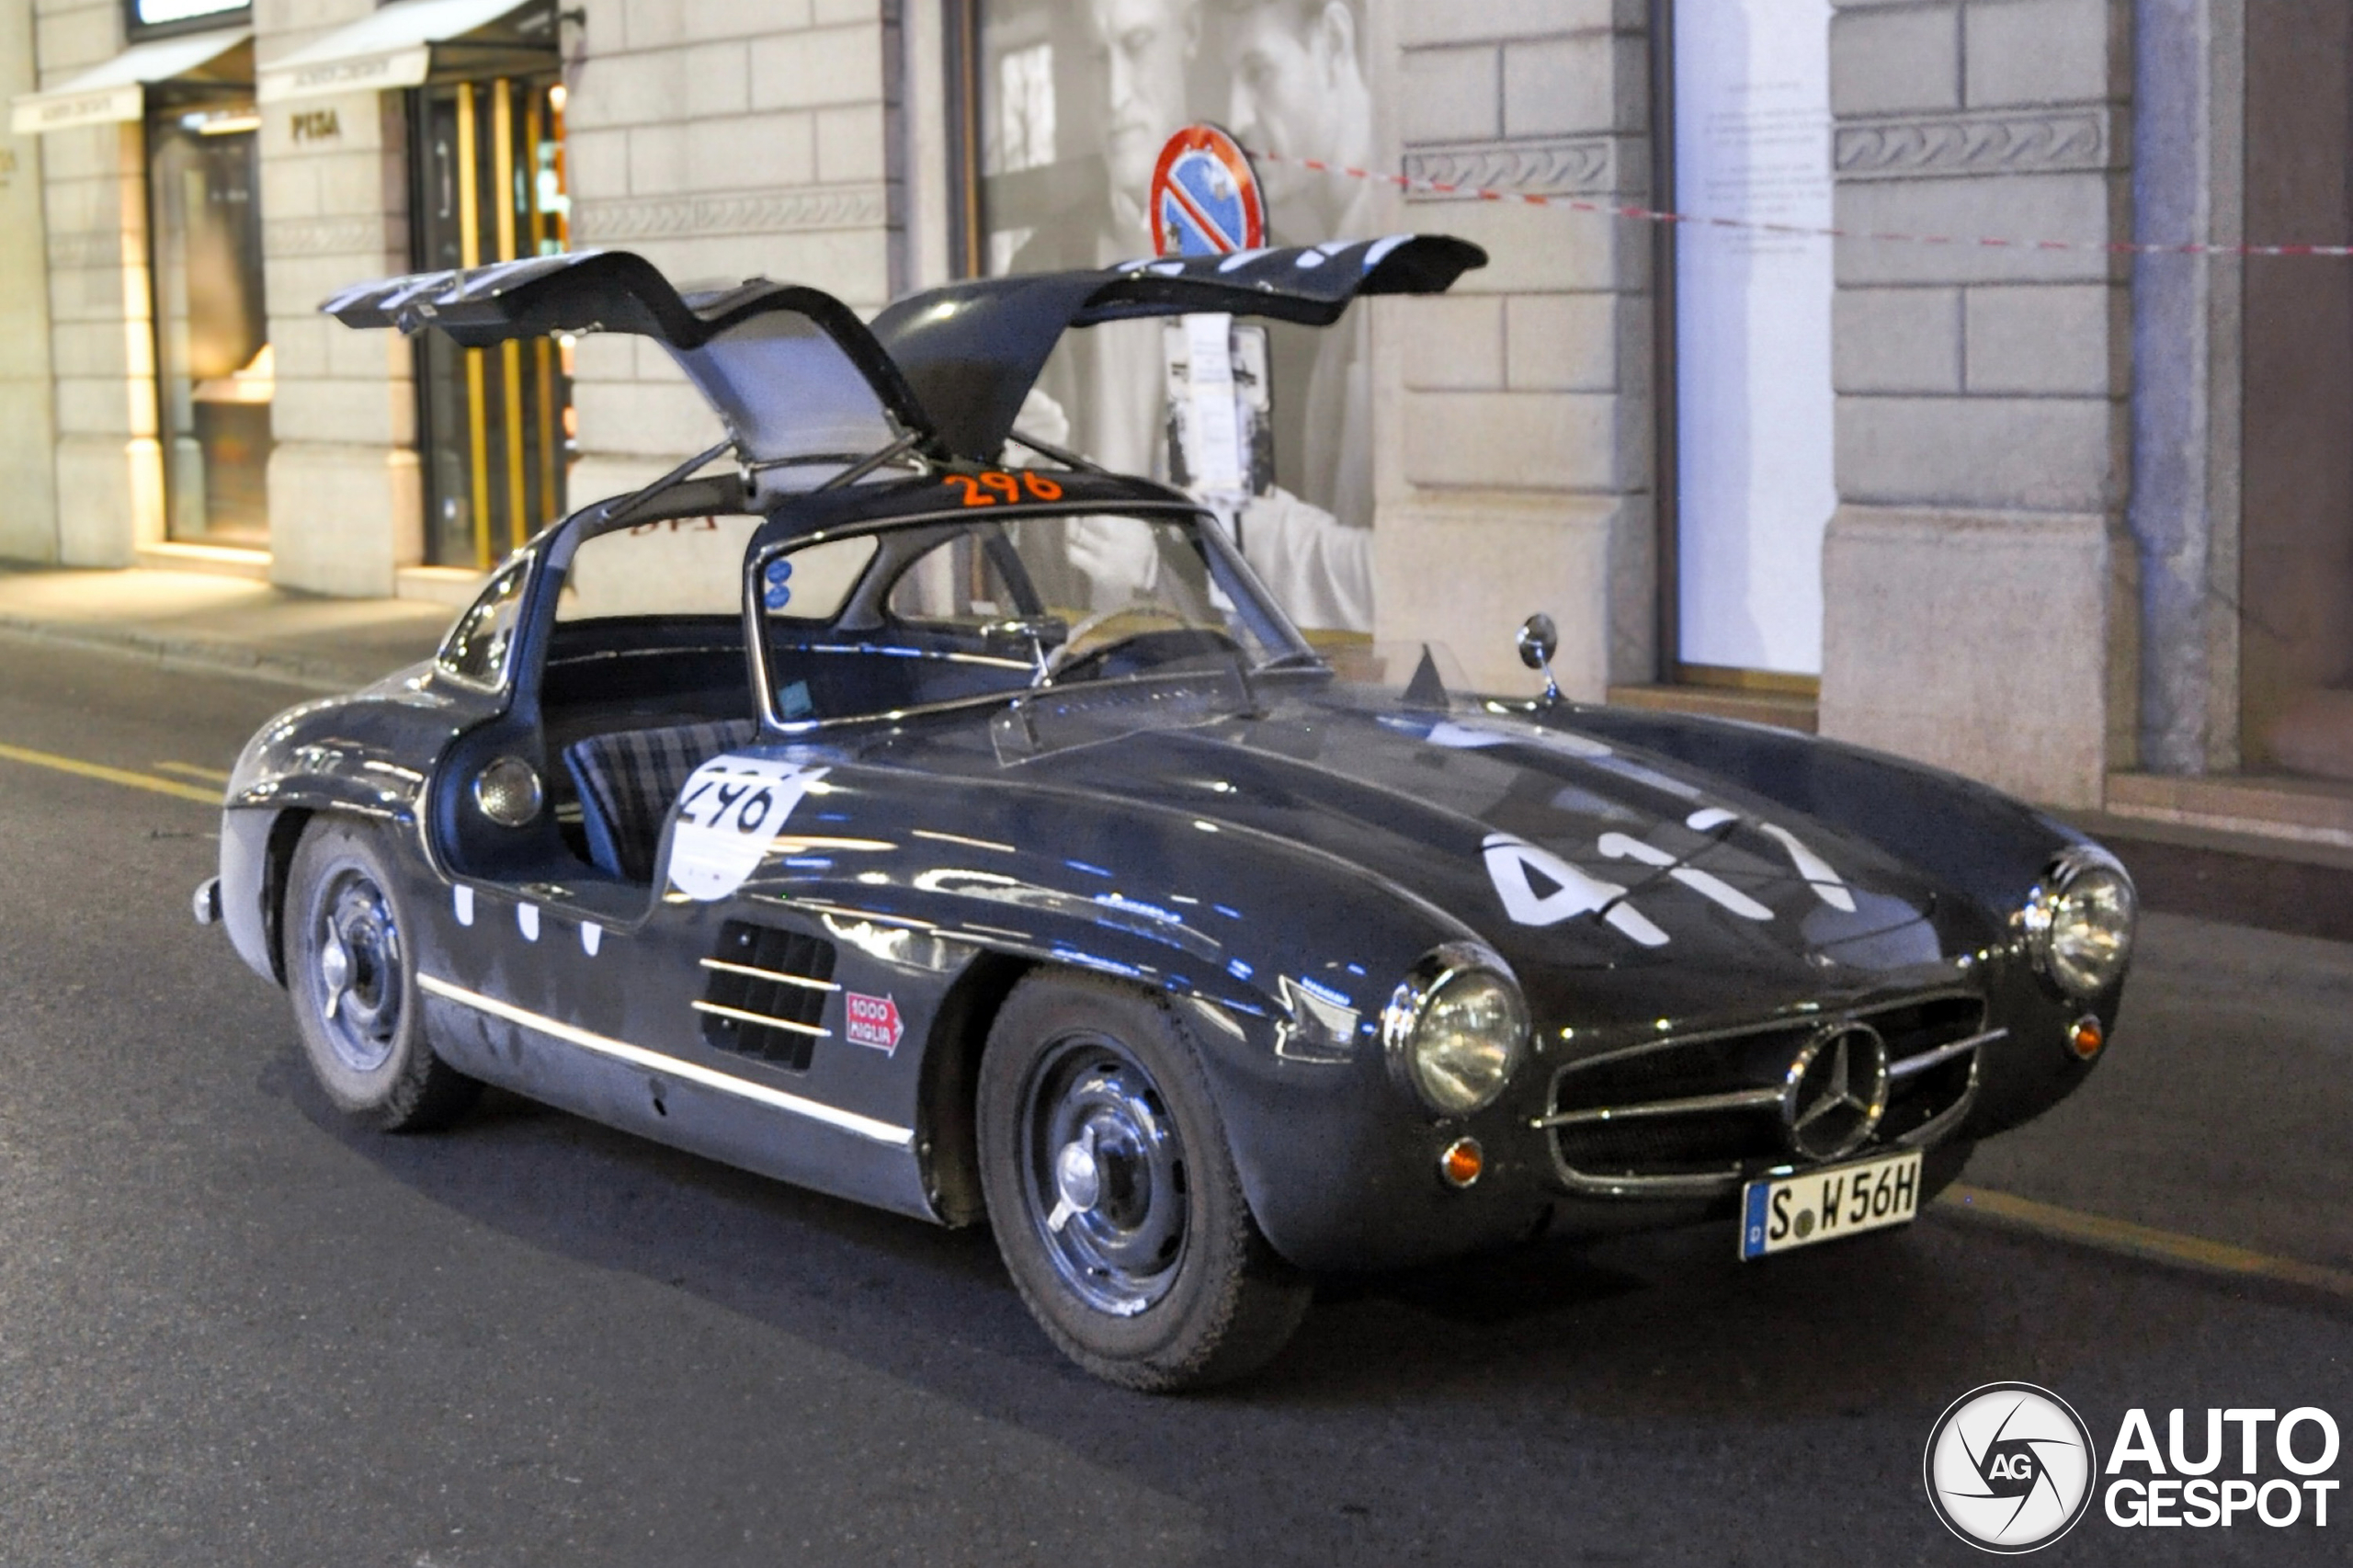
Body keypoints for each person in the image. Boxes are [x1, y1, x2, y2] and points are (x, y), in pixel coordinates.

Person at [1220, 0, 1382, 537]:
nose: (1237, 116)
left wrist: (1245, 527)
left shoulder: (1398, 263)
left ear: (1334, 40)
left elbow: (1397, 563)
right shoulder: (1346, 250)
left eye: (1261, 73)